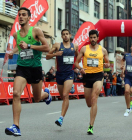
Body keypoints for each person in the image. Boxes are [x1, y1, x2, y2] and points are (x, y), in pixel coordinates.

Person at [5, 7, 52, 136]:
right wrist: (11, 52)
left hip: (35, 68)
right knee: (15, 94)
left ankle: (46, 94)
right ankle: (16, 126)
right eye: (19, 15)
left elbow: (47, 47)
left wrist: (30, 46)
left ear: (29, 17)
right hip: (22, 68)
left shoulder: (36, 31)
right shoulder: (16, 34)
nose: (20, 17)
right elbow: (17, 47)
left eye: (23, 15)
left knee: (37, 98)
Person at [75, 30, 110, 135]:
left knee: (94, 99)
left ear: (97, 38)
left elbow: (107, 63)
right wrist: (80, 68)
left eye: (94, 37)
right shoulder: (84, 49)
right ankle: (92, 112)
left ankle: (91, 126)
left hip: (98, 75)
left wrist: (107, 65)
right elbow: (76, 63)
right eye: (91, 38)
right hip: (87, 76)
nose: (93, 39)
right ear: (89, 38)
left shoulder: (103, 50)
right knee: (89, 103)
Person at [46, 29, 78, 127]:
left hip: (69, 73)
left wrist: (76, 66)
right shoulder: (57, 45)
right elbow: (47, 56)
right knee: (62, 96)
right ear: (61, 36)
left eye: (67, 34)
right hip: (60, 74)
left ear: (70, 35)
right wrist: (55, 54)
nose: (65, 36)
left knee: (65, 95)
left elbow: (78, 56)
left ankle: (61, 118)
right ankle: (70, 87)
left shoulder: (75, 46)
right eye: (63, 34)